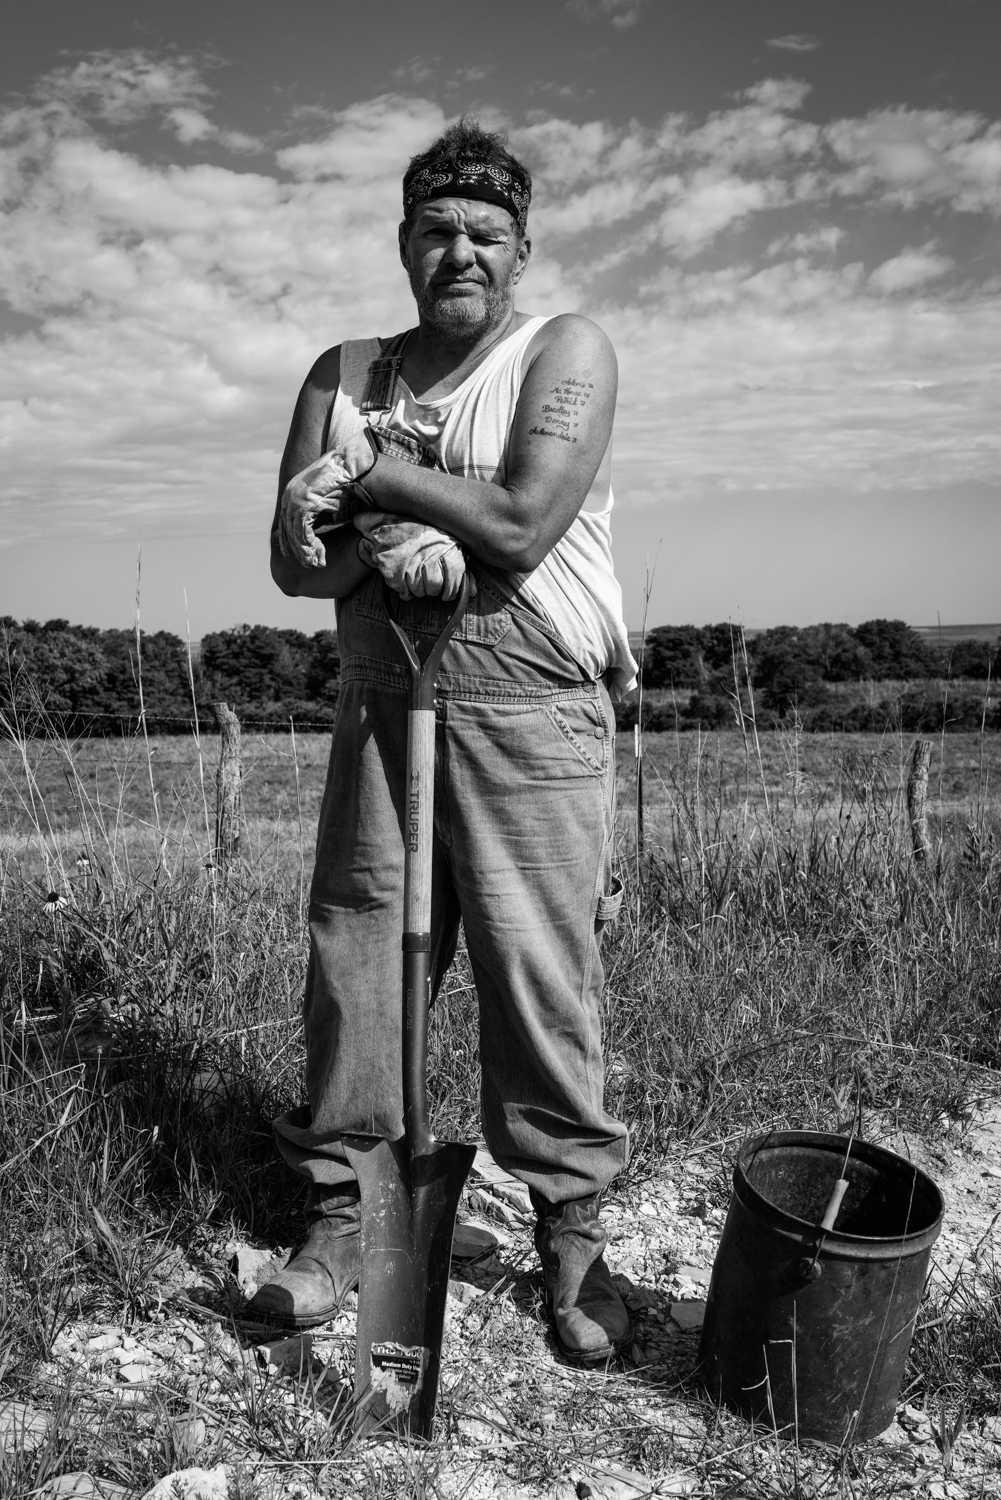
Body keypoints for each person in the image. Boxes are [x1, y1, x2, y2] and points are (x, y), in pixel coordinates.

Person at [253, 119, 638, 1365]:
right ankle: (340, 1219)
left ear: (520, 250)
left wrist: (369, 472)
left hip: (531, 711)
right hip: (380, 697)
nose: (457, 249)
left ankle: (568, 1237)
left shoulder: (558, 349)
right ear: (403, 243)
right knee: (358, 964)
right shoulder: (345, 364)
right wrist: (372, 535)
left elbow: (521, 523)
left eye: (484, 231)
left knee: (539, 976)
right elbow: (285, 560)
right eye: (435, 229)